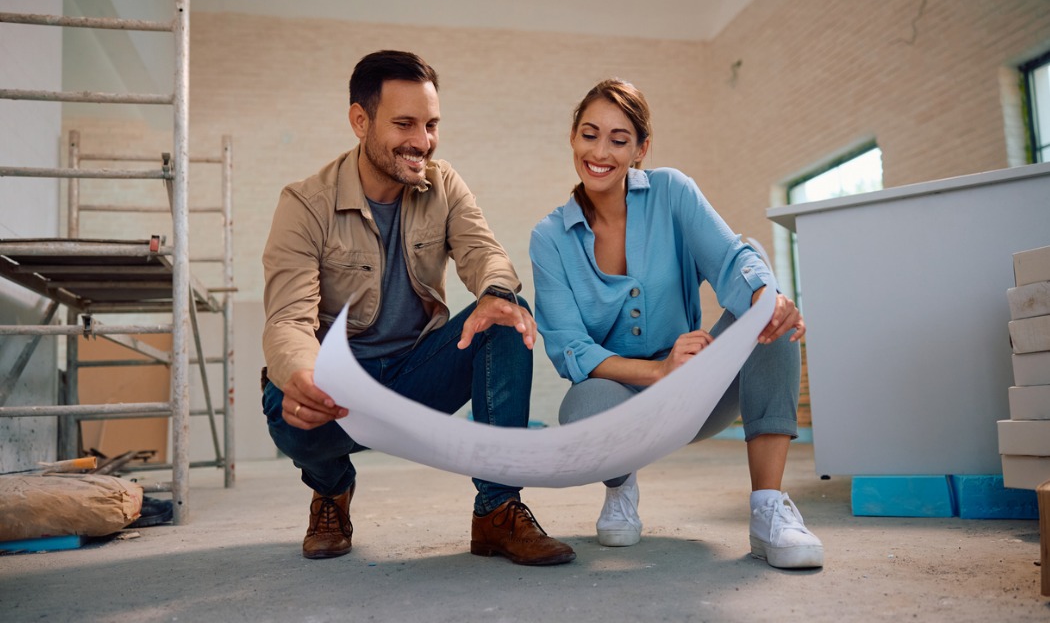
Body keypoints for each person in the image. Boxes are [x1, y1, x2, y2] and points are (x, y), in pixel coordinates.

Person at [261, 50, 574, 566]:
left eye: (431, 125)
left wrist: (495, 290)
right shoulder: (304, 203)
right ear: (360, 121)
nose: (422, 141)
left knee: (504, 314)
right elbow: (288, 320)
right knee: (285, 400)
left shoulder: (444, 183)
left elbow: (483, 253)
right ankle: (331, 489)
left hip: (416, 375)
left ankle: (497, 509)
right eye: (404, 124)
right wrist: (302, 374)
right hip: (340, 385)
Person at [528, 78, 823, 569]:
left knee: (765, 314)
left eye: (619, 140)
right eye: (589, 134)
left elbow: (731, 259)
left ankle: (768, 510)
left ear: (641, 148)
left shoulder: (672, 191)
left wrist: (764, 296)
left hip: (698, 393)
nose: (600, 152)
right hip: (623, 400)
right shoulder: (550, 237)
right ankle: (620, 489)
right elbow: (570, 349)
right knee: (581, 409)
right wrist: (660, 370)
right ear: (573, 138)